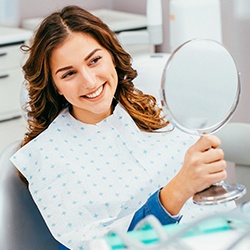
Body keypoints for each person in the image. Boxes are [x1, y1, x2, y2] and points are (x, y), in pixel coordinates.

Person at [11, 5, 235, 250]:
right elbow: (94, 246)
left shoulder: (157, 114)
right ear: (55, 86)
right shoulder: (47, 156)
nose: (89, 81)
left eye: (94, 60)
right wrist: (177, 190)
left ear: (112, 57)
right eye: (68, 74)